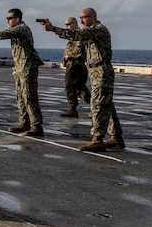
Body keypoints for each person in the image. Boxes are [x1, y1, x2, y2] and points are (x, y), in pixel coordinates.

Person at [41, 8, 124, 152]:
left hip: (101, 70)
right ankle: (116, 137)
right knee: (107, 105)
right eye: (80, 18)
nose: (81, 21)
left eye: (84, 18)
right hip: (95, 70)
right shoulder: (91, 31)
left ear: (93, 17)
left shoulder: (98, 29)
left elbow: (78, 34)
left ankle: (97, 139)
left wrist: (53, 29)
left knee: (98, 105)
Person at [0, 9, 44, 137]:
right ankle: (24, 122)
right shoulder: (16, 30)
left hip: (28, 67)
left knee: (29, 96)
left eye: (11, 18)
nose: (8, 21)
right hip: (20, 67)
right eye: (7, 18)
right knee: (20, 97)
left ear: (18, 18)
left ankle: (36, 126)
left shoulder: (22, 28)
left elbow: (1, 35)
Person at [60, 16, 91, 118]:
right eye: (66, 25)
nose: (67, 27)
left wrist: (69, 56)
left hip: (76, 65)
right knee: (79, 88)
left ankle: (73, 108)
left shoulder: (79, 35)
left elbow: (80, 50)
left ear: (75, 23)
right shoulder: (73, 37)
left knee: (71, 87)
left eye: (68, 24)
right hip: (74, 64)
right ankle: (94, 107)